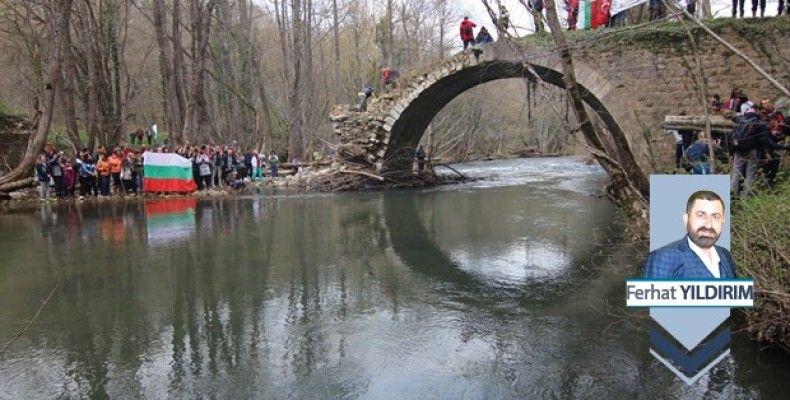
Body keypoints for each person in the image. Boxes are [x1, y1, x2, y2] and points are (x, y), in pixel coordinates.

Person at [643, 190, 736, 278]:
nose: (708, 225)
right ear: (686, 219)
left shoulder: (725, 255)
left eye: (715, 217)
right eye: (701, 215)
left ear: (723, 221)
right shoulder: (664, 258)